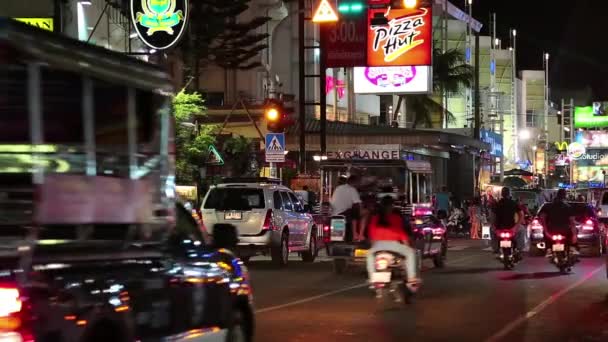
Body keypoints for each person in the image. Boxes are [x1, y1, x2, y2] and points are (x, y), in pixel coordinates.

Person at [366, 196, 421, 289]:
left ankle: (372, 278)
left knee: (369, 255)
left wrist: (373, 248)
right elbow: (401, 234)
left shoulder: (375, 218)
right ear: (391, 206)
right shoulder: (396, 218)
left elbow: (372, 236)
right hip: (394, 245)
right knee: (411, 253)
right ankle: (412, 279)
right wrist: (408, 247)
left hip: (378, 246)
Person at [538, 189, 579, 257]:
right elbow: (572, 222)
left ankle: (548, 249)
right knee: (574, 232)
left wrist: (546, 230)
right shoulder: (568, 207)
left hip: (551, 229)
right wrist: (574, 236)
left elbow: (542, 218)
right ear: (565, 196)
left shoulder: (547, 206)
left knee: (545, 235)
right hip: (565, 230)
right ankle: (572, 247)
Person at [330, 175, 362, 242]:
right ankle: (357, 234)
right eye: (359, 183)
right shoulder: (352, 189)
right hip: (344, 214)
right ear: (355, 182)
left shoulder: (338, 188)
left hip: (334, 214)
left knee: (336, 239)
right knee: (365, 212)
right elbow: (358, 204)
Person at [492, 187, 523, 255]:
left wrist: (494, 225)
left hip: (499, 227)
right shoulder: (514, 203)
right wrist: (517, 225)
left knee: (492, 232)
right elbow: (521, 215)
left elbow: (493, 216)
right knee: (522, 230)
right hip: (511, 226)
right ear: (509, 194)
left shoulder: (497, 204)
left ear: (502, 194)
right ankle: (519, 248)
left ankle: (495, 248)